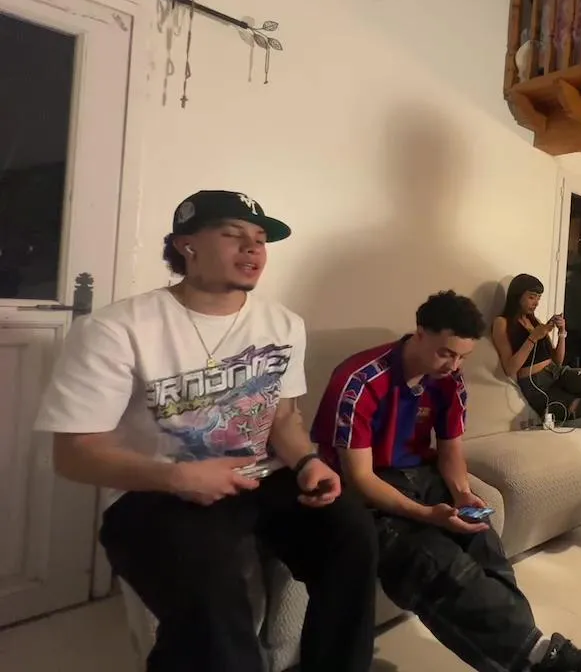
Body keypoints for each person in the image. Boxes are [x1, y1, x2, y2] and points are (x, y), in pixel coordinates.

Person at [33, 190, 377, 672]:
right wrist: (178, 478)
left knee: (353, 534)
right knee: (211, 593)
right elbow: (73, 454)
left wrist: (307, 462)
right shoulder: (116, 329)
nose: (253, 248)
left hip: (260, 476)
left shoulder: (284, 324)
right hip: (157, 492)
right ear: (186, 245)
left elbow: (282, 418)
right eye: (233, 235)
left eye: (260, 239)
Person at [312, 291, 581, 672]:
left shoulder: (450, 380)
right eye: (446, 353)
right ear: (420, 333)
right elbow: (359, 478)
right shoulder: (361, 379)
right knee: (435, 562)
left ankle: (531, 655)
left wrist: (462, 493)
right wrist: (427, 514)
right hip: (369, 489)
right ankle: (546, 659)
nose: (454, 365)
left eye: (463, 357)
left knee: (484, 541)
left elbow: (450, 452)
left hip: (422, 474)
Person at [493, 273, 581, 423]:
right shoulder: (502, 323)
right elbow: (509, 369)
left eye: (538, 298)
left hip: (557, 372)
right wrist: (533, 337)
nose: (536, 303)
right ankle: (570, 407)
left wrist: (561, 332)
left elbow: (558, 360)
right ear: (517, 296)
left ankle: (576, 402)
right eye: (532, 297)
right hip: (537, 384)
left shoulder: (534, 321)